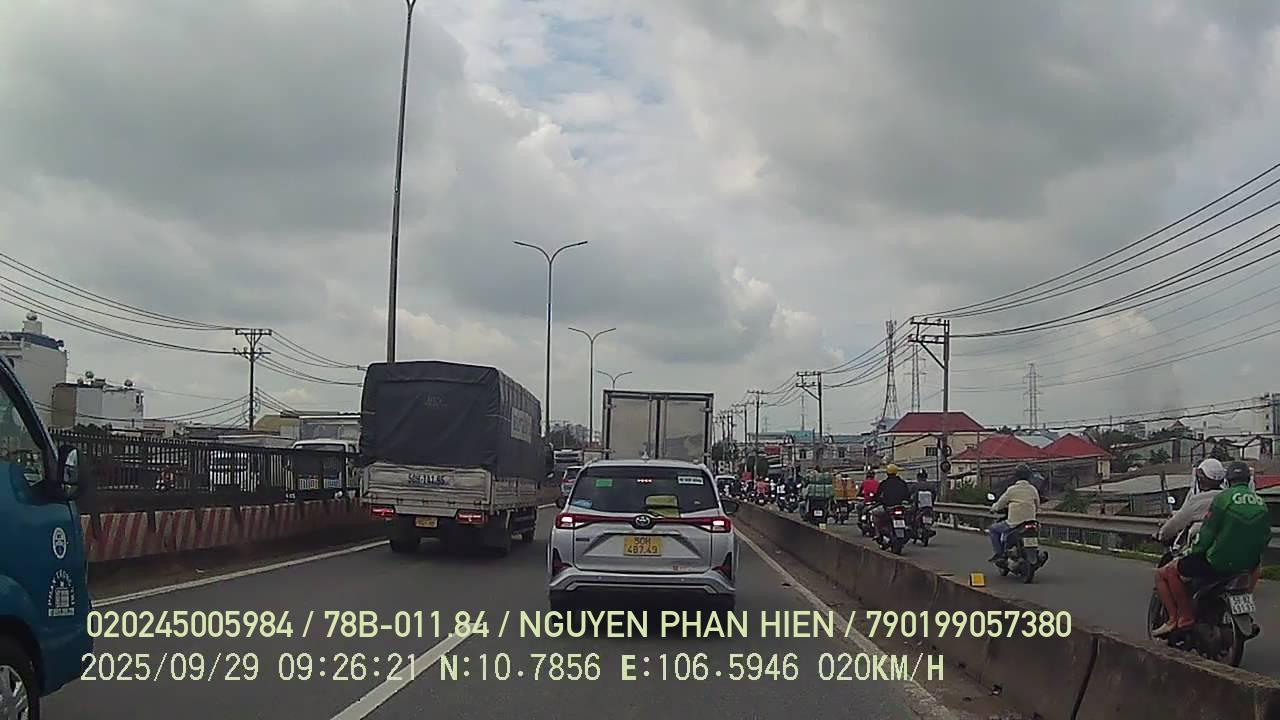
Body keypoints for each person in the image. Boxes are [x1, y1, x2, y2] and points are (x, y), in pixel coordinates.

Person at [1152, 461, 1271, 637]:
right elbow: (1265, 535)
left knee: (1168, 571)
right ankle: (1245, 604)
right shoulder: (1260, 502)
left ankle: (1183, 616)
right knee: (1255, 564)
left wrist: (1191, 552)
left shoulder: (1221, 499)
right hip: (1247, 563)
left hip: (1218, 561)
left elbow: (1206, 534)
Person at [1156, 464, 1224, 549]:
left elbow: (1174, 524)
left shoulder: (1197, 500)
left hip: (1200, 550)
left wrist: (1161, 535)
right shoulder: (1228, 498)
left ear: (1200, 478)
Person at [988, 464, 1041, 561]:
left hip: (1014, 523)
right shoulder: (1033, 489)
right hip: (1032, 522)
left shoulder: (1012, 490)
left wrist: (993, 508)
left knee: (993, 529)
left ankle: (999, 554)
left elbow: (1000, 504)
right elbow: (1037, 505)